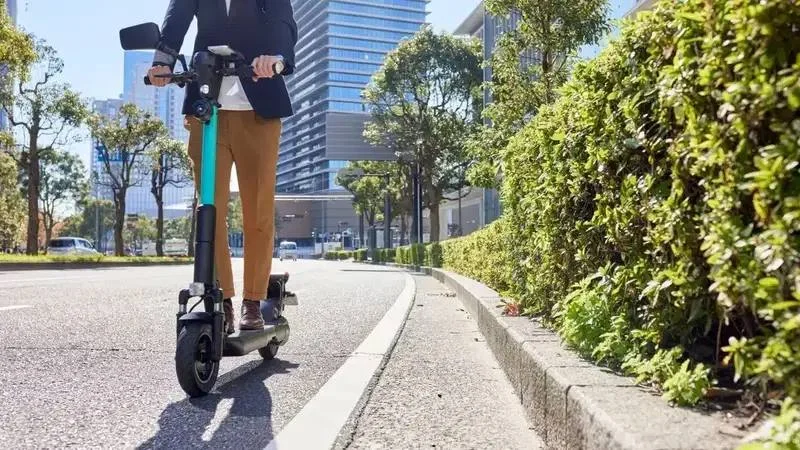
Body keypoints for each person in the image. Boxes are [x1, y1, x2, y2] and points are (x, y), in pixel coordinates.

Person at [148, 0, 298, 333]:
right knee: (209, 210)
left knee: (257, 211)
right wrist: (162, 60)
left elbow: (282, 22)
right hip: (207, 107)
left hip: (258, 109)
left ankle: (253, 301)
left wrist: (276, 58)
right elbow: (177, 16)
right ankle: (223, 300)